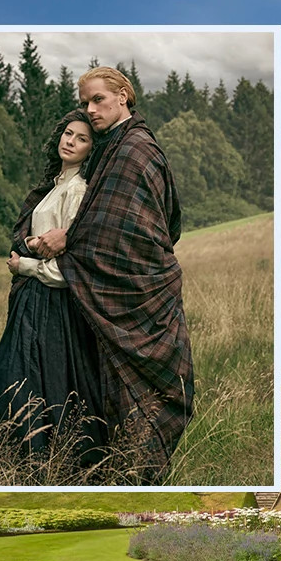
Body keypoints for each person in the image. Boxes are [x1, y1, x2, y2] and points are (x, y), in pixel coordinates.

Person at [35, 66, 195, 483]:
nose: (90, 110)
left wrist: (68, 238)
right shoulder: (109, 147)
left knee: (144, 400)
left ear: (123, 95)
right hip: (107, 290)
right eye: (86, 102)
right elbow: (99, 217)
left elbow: (138, 227)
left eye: (98, 100)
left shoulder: (135, 149)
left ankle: (140, 481)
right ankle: (117, 475)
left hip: (139, 292)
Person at [0, 109, 107, 477]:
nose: (70, 141)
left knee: (43, 385)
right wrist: (29, 242)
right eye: (68, 133)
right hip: (32, 302)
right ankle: (18, 469)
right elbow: (47, 238)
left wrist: (25, 265)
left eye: (81, 138)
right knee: (13, 382)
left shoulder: (77, 191)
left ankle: (47, 468)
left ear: (91, 149)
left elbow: (69, 268)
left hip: (54, 306)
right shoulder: (55, 186)